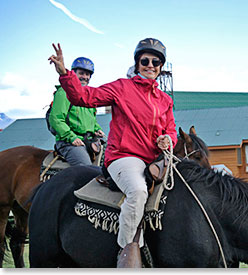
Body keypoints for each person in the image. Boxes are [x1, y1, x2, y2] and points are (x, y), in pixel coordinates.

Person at [48, 38, 177, 267]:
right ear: (137, 64)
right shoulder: (121, 87)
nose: (150, 65)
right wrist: (65, 73)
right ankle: (126, 252)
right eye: (144, 60)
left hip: (156, 159)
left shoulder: (165, 100)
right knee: (137, 192)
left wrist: (168, 139)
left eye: (155, 61)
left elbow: (170, 129)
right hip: (124, 158)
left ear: (160, 66)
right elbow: (83, 97)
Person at [49, 57, 105, 166]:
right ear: (73, 73)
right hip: (69, 142)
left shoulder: (88, 94)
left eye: (87, 74)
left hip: (89, 139)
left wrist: (97, 129)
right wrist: (71, 137)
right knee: (86, 170)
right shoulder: (63, 92)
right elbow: (56, 118)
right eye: (81, 73)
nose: (85, 77)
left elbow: (91, 120)